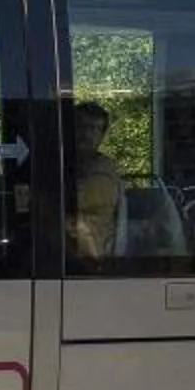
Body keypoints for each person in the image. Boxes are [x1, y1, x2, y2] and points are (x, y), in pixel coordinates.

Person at [65, 99, 124, 267]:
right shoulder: (71, 164)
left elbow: (66, 206)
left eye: (93, 128)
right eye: (81, 127)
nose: (86, 134)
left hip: (87, 259)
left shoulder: (102, 172)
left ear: (102, 135)